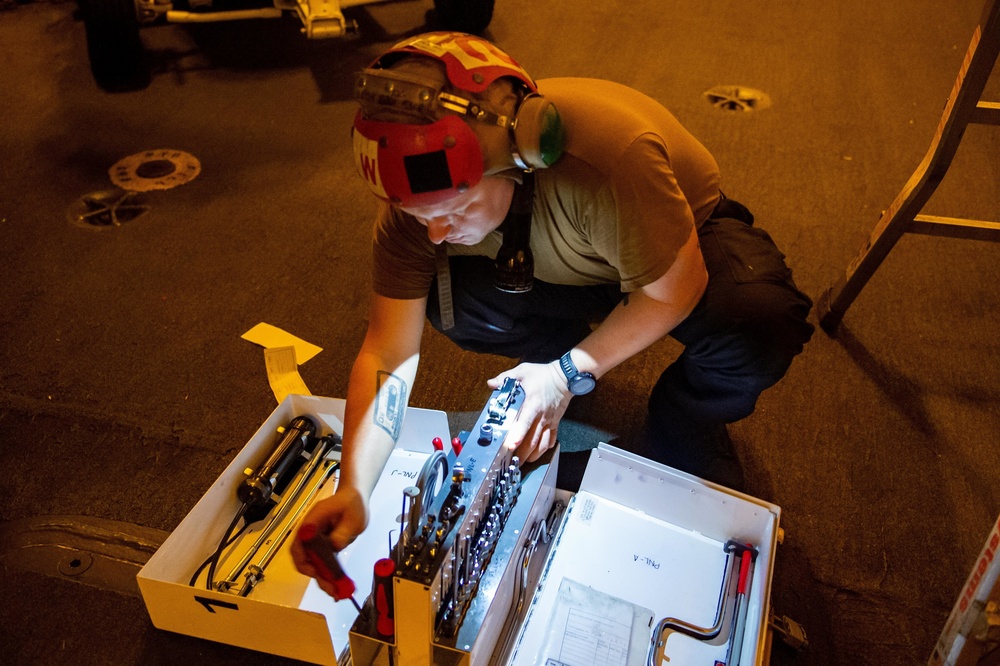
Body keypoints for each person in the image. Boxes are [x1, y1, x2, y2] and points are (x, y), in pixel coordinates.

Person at [292, 32, 813, 589]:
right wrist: (355, 484)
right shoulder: (422, 204)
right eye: (421, 219)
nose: (438, 233)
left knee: (757, 321)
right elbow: (389, 350)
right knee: (449, 303)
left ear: (521, 155)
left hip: (671, 249)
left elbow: (675, 290)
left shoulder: (611, 158)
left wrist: (567, 376)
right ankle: (552, 356)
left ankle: (683, 419)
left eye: (458, 209)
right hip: (556, 261)